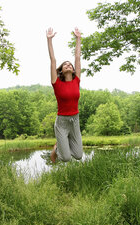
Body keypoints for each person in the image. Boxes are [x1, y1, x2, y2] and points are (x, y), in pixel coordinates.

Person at [46, 27, 83, 163]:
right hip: (62, 122)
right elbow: (53, 60)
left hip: (75, 120)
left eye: (70, 65)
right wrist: (49, 40)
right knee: (66, 158)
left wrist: (78, 38)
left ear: (73, 70)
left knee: (78, 155)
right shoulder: (56, 83)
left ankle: (63, 144)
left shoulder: (76, 81)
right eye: (65, 65)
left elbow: (77, 57)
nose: (68, 65)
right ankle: (56, 149)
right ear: (61, 70)